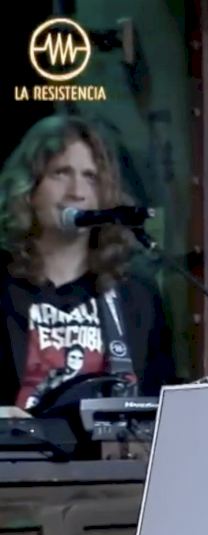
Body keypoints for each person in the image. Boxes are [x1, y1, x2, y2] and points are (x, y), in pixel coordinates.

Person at [0, 115, 175, 415]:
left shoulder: (137, 296)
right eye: (61, 173)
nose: (76, 191)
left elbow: (160, 404)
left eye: (90, 177)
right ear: (28, 190)